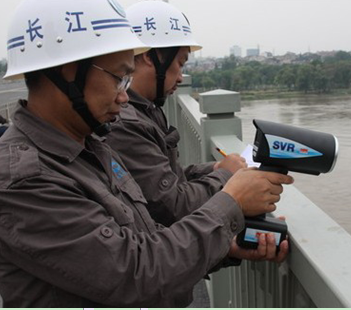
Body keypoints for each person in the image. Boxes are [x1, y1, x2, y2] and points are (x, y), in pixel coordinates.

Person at [0, 0, 294, 308]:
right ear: (68, 72)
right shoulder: (24, 180)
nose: (125, 95)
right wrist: (230, 201)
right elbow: (136, 273)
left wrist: (227, 247)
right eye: (118, 77)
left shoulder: (89, 146)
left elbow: (145, 238)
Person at [106, 1, 291, 263]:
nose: (181, 77)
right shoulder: (125, 123)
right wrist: (230, 182)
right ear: (151, 56)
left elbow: (163, 179)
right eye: (179, 64)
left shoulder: (145, 111)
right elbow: (169, 206)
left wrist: (214, 170)